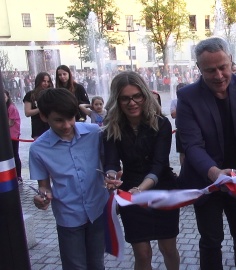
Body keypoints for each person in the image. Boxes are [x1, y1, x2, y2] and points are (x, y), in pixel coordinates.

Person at [175, 37, 236, 270]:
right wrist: (214, 172)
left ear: (231, 62)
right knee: (210, 240)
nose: (218, 76)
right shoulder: (187, 96)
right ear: (198, 69)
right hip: (206, 179)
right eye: (210, 70)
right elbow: (192, 145)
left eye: (222, 67)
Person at [103, 71, 180, 270]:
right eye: (125, 98)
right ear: (117, 100)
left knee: (168, 248)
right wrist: (111, 177)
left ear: (145, 96)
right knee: (142, 253)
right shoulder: (112, 126)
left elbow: (159, 163)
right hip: (130, 191)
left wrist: (142, 188)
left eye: (137, 96)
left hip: (162, 189)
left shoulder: (161, 123)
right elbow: (111, 162)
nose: (132, 102)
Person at [29, 88, 109, 269]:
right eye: (58, 120)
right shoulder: (39, 149)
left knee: (97, 264)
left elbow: (110, 164)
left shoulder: (94, 133)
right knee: (75, 265)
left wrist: (114, 175)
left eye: (71, 118)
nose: (66, 125)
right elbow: (44, 186)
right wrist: (42, 197)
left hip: (97, 209)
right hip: (68, 214)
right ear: (43, 117)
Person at [23, 72, 52, 139]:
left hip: (51, 126)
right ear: (39, 81)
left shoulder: (51, 94)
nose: (46, 83)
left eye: (48, 81)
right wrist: (40, 108)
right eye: (44, 81)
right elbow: (27, 113)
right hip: (38, 127)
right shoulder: (30, 95)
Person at [5, 91, 22, 184]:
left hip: (13, 135)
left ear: (8, 97)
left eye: (4, 96)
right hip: (7, 135)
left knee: (15, 154)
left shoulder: (11, 107)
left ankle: (18, 176)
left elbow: (11, 123)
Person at [170, 83, 187, 166]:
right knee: (182, 152)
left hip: (191, 130)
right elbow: (173, 115)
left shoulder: (192, 101)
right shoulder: (175, 101)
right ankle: (183, 170)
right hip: (180, 130)